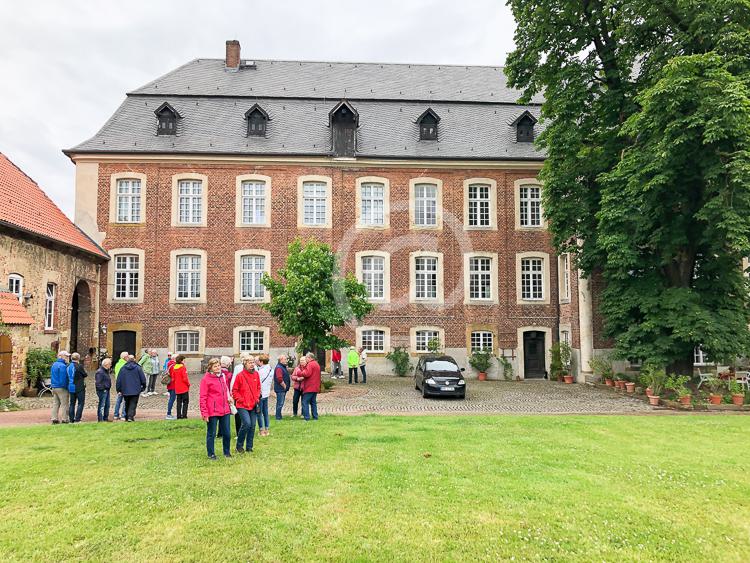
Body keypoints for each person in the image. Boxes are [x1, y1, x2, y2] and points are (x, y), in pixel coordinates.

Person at [199, 358, 232, 460]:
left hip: (225, 409)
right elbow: (203, 397)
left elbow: (226, 390)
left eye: (218, 365)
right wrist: (204, 413)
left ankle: (226, 452)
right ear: (211, 368)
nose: (218, 368)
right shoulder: (206, 379)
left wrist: (229, 397)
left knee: (227, 433)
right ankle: (211, 453)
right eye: (215, 366)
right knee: (211, 433)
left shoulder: (223, 377)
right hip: (212, 410)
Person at [232, 356, 261, 453]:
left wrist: (257, 398)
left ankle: (249, 447)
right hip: (242, 405)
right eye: (249, 362)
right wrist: (240, 399)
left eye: (253, 362)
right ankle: (239, 446)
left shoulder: (256, 374)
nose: (252, 364)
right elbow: (234, 390)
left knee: (252, 425)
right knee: (246, 424)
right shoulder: (240, 375)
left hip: (253, 404)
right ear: (244, 364)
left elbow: (258, 387)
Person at [116, 355, 146, 421]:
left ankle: (127, 416)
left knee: (127, 403)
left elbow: (119, 380)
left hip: (125, 389)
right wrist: (143, 387)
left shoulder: (123, 368)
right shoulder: (138, 368)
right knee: (133, 403)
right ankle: (130, 417)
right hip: (135, 389)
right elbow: (143, 379)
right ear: (134, 359)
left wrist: (118, 389)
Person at [298, 352, 321, 421]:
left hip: (309, 386)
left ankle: (306, 418)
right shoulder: (316, 364)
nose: (306, 359)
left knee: (305, 402)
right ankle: (315, 417)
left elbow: (307, 374)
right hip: (315, 386)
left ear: (309, 358)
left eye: (306, 358)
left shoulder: (310, 364)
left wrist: (300, 373)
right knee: (313, 402)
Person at [50, 351, 70, 424]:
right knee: (64, 404)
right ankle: (65, 419)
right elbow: (63, 379)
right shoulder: (62, 366)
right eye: (66, 356)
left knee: (56, 403)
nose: (67, 358)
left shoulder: (54, 364)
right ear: (61, 356)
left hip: (54, 386)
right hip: (61, 387)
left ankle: (54, 418)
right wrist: (66, 387)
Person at [68, 352, 87, 423]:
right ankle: (77, 419)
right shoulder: (79, 366)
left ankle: (71, 419)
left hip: (70, 386)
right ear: (78, 358)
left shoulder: (68, 366)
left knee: (72, 403)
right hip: (79, 387)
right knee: (80, 403)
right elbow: (85, 374)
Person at [256, 354, 273, 436]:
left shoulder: (261, 371)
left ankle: (261, 430)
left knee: (259, 412)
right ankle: (267, 428)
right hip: (266, 392)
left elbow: (257, 382)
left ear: (261, 362)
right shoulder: (270, 369)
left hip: (261, 393)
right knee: (265, 412)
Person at [170, 355, 190, 419]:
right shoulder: (183, 368)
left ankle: (178, 416)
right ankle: (184, 415)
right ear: (181, 361)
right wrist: (188, 384)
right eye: (184, 360)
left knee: (179, 402)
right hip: (184, 387)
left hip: (177, 388)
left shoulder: (174, 367)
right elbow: (185, 378)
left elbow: (173, 378)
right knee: (185, 402)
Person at [95, 358, 112, 422]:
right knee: (102, 405)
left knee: (107, 405)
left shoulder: (105, 371)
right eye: (110, 364)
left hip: (106, 390)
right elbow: (98, 383)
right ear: (106, 364)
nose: (110, 365)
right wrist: (103, 388)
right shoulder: (100, 372)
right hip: (103, 390)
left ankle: (105, 418)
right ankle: (100, 419)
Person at [273, 354, 290, 420]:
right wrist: (284, 385)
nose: (286, 360)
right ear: (281, 360)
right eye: (285, 359)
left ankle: (279, 416)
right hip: (280, 389)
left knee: (280, 403)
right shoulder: (279, 368)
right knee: (280, 403)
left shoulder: (282, 367)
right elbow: (279, 378)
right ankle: (278, 417)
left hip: (282, 389)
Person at [113, 351, 129, 420]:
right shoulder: (125, 365)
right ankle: (123, 415)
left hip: (119, 384)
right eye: (127, 356)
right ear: (125, 357)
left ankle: (116, 414)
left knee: (119, 400)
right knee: (125, 400)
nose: (128, 357)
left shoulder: (118, 364)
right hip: (124, 384)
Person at [164, 353, 177, 420]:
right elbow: (174, 376)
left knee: (171, 399)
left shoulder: (170, 364)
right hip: (173, 385)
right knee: (172, 399)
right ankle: (168, 414)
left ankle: (169, 413)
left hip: (170, 385)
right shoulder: (173, 366)